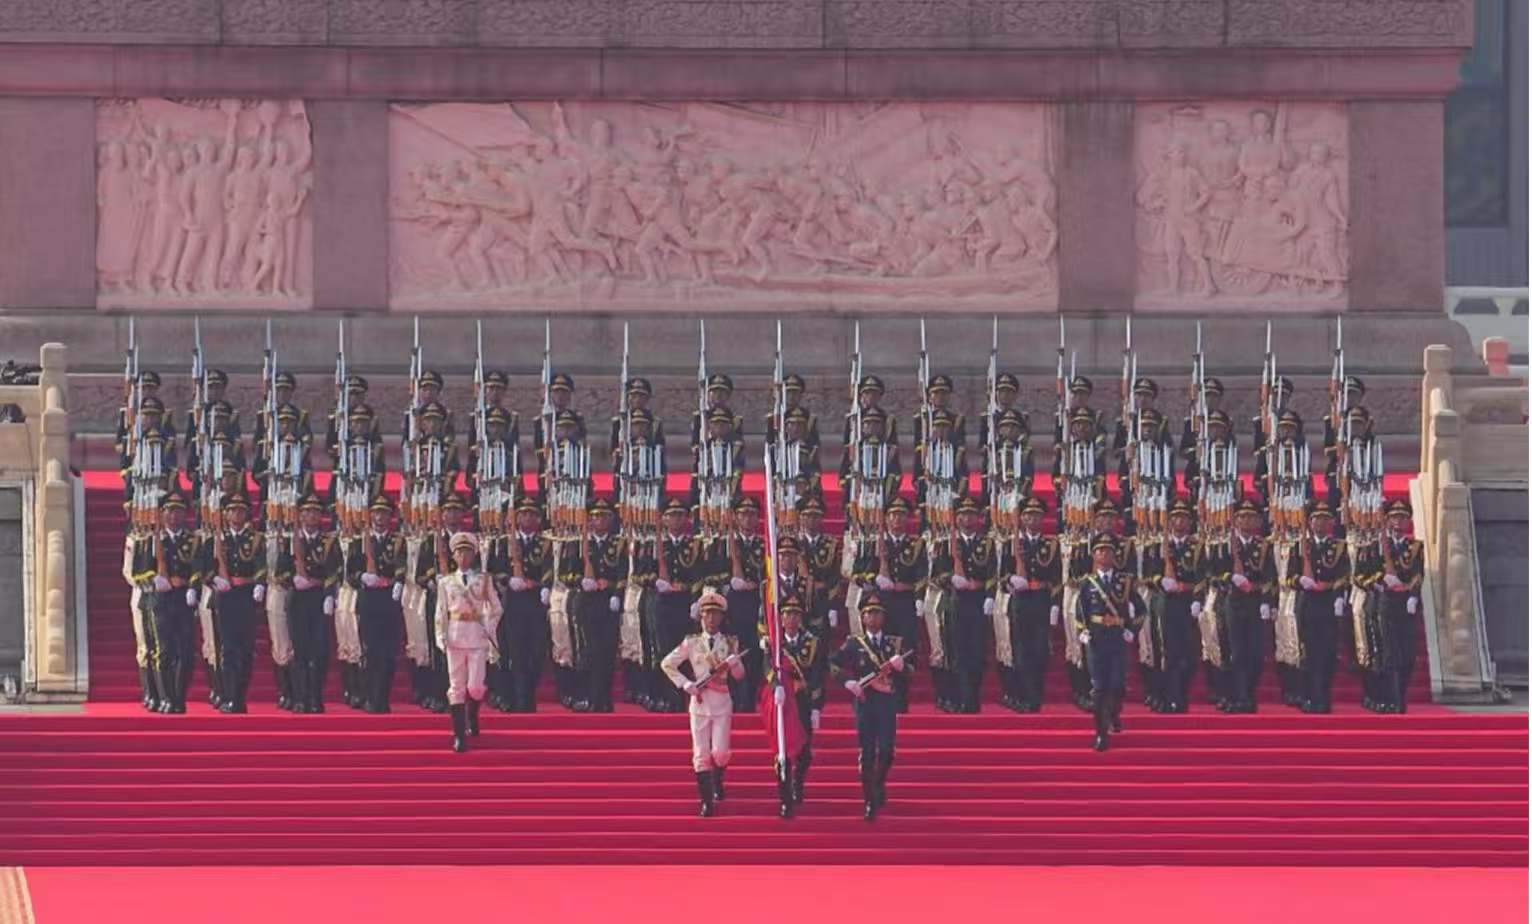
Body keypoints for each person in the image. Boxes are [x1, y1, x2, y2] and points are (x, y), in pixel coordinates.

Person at [661, 591, 745, 817]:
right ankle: (706, 801)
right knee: (700, 753)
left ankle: (717, 781)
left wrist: (734, 665)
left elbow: (739, 676)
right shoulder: (692, 643)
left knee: (721, 752)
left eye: (716, 614)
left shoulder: (730, 642)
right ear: (700, 617)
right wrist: (685, 684)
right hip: (699, 703)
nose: (711, 619)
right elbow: (667, 664)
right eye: (707, 614)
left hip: (721, 703)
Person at [835, 593, 911, 820]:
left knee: (887, 751)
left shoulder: (894, 644)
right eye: (870, 613)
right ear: (863, 617)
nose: (874, 617)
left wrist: (902, 667)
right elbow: (833, 664)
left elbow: (910, 673)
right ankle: (869, 800)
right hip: (865, 702)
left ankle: (879, 782)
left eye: (878, 613)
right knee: (867, 752)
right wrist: (847, 682)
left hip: (887, 702)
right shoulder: (854, 644)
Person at [1354, 499, 1424, 713]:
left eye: (1403, 517)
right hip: (1382, 603)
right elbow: (1359, 577)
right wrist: (1379, 581)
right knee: (1388, 653)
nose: (1399, 521)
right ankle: (1393, 700)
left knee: (1408, 654)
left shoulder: (1415, 547)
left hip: (1405, 603)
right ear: (1387, 520)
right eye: (1395, 517)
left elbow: (1418, 573)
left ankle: (1400, 694)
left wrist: (1412, 594)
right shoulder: (1373, 547)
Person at [436, 532, 504, 752]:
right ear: (453, 556)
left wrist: (489, 629)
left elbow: (496, 608)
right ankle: (458, 735)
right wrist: (441, 635)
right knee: (456, 687)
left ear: (474, 554)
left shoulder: (483, 580)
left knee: (475, 687)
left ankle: (472, 714)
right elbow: (440, 612)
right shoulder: (446, 582)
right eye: (459, 552)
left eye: (467, 551)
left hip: (476, 635)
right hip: (455, 634)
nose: (463, 556)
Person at [1208, 499, 1277, 712]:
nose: (1247, 520)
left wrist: (1267, 602)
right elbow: (1211, 573)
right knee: (1235, 652)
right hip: (1232, 601)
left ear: (1257, 520)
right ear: (1235, 520)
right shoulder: (1223, 545)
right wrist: (1230, 578)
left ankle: (1248, 691)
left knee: (1255, 654)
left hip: (1255, 602)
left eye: (1251, 517)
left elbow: (1270, 577)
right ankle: (1238, 696)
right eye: (1242, 517)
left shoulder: (1264, 546)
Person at [485, 496, 553, 713]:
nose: (527, 518)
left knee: (536, 654)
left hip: (534, 603)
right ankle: (518, 700)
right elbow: (494, 570)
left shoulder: (544, 543)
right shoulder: (503, 543)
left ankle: (527, 694)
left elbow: (549, 568)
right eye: (523, 514)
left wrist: (542, 585)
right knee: (514, 653)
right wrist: (507, 580)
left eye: (531, 514)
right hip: (512, 603)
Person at [1075, 534, 1140, 751]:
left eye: (1109, 550)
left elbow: (1141, 610)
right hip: (1096, 639)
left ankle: (1113, 712)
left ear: (1115, 555)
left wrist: (1132, 629)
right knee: (1100, 688)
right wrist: (1082, 630)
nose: (1104, 554)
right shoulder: (1087, 583)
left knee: (1118, 686)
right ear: (1094, 555)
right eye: (1100, 550)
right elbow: (1079, 610)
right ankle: (1101, 734)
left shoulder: (1125, 580)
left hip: (1118, 638)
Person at [764, 594, 826, 817]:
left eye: (795, 615)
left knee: (804, 753)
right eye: (787, 614)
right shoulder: (774, 643)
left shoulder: (812, 643)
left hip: (803, 703)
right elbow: (767, 668)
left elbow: (818, 675)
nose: (791, 619)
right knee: (782, 752)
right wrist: (776, 685)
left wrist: (818, 706)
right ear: (780, 618)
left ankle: (798, 783)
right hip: (783, 702)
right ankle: (785, 799)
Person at [1285, 501, 1351, 714]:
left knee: (1328, 654)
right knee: (1309, 654)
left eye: (1325, 519)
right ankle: (1310, 696)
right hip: (1308, 603)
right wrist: (1301, 581)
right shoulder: (1300, 546)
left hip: (1328, 603)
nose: (1320, 523)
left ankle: (1324, 696)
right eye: (1316, 519)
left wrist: (1336, 591)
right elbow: (1289, 577)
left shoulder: (1339, 546)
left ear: (1331, 523)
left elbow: (1344, 574)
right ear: (1310, 522)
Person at [930, 496, 994, 713]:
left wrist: (989, 593)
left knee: (976, 651)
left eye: (971, 514)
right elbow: (935, 576)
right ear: (956, 518)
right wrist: (950, 579)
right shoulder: (945, 543)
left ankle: (972, 697)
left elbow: (993, 572)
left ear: (978, 518)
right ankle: (958, 698)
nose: (967, 518)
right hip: (954, 601)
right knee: (955, 651)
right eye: (963, 514)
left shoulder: (987, 543)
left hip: (976, 602)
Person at [1140, 498, 1204, 713]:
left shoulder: (1197, 546)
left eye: (1183, 518)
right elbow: (1147, 576)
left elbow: (1204, 575)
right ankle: (1165, 695)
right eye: (1175, 517)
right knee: (1163, 652)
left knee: (1187, 653)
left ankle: (1180, 694)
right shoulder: (1157, 546)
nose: (1179, 521)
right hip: (1163, 603)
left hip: (1186, 603)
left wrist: (1192, 592)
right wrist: (1160, 581)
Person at [999, 496, 1062, 712]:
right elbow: (1001, 577)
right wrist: (1010, 581)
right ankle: (1025, 696)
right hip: (1020, 601)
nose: (1032, 519)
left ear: (1042, 518)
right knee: (1021, 649)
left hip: (1041, 600)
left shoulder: (1051, 544)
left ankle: (1036, 693)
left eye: (1036, 515)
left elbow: (1056, 576)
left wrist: (1055, 604)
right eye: (1027, 515)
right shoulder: (1012, 543)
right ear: (1022, 518)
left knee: (1040, 650)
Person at [280, 493, 340, 713]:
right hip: (297, 600)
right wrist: (291, 580)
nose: (311, 516)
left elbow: (334, 569)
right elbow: (280, 572)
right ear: (301, 515)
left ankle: (315, 697)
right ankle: (299, 698)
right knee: (300, 651)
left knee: (320, 651)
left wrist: (327, 594)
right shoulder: (290, 541)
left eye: (316, 512)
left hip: (317, 599)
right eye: (307, 512)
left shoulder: (328, 542)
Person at [346, 495, 407, 713]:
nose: (380, 517)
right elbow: (350, 572)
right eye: (376, 513)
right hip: (368, 600)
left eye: (384, 513)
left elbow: (402, 565)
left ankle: (383, 697)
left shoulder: (398, 541)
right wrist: (362, 576)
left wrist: (398, 582)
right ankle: (369, 696)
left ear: (390, 517)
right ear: (370, 515)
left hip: (388, 600)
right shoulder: (359, 542)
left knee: (388, 653)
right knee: (369, 652)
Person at [207, 493, 265, 714]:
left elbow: (260, 563)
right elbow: (206, 566)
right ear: (226, 513)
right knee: (228, 649)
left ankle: (240, 695)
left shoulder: (255, 539)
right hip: (225, 597)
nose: (237, 514)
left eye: (241, 511)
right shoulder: (218, 539)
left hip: (247, 596)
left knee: (246, 650)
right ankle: (229, 696)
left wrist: (259, 583)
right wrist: (213, 579)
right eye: (232, 510)